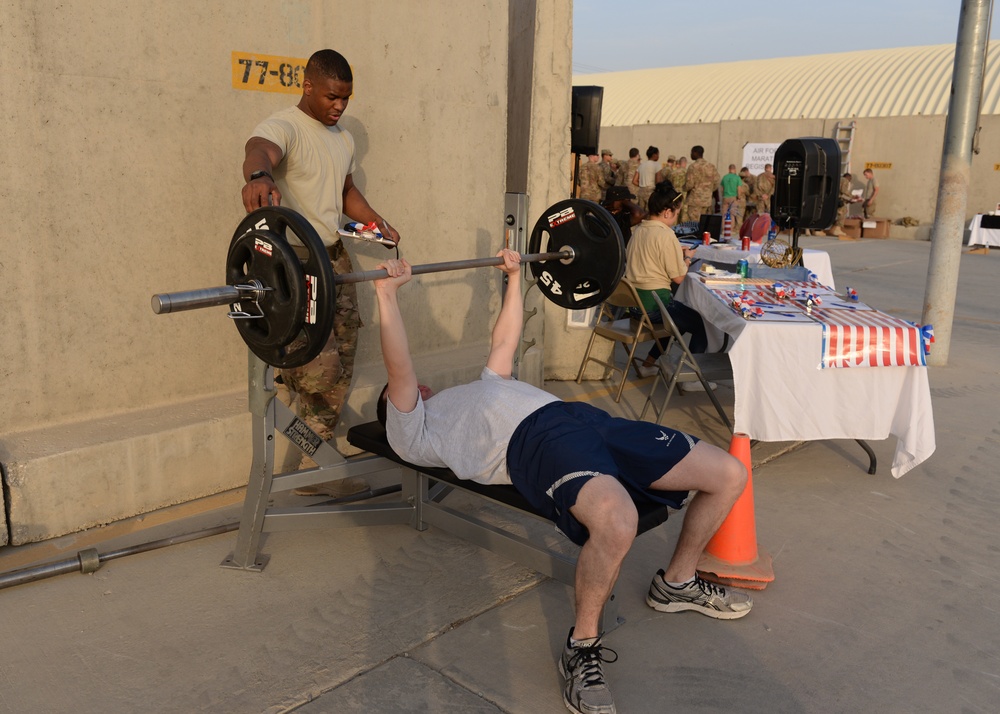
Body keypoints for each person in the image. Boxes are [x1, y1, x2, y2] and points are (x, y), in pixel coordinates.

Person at [374, 249, 752, 714]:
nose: (420, 388)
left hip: (581, 419)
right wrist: (385, 295)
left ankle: (676, 582)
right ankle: (582, 646)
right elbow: (400, 369)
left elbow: (504, 341)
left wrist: (515, 278)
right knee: (618, 522)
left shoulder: (480, 389)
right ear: (393, 407)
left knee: (729, 473)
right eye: (405, 395)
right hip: (535, 443)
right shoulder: (413, 431)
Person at [241, 48, 401, 497]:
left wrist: (375, 222)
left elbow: (346, 191)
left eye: (346, 99)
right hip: (294, 263)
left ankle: (317, 464)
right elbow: (260, 151)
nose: (339, 106)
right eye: (332, 96)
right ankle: (320, 465)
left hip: (334, 257)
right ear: (308, 86)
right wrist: (259, 176)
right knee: (317, 370)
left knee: (344, 353)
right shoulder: (284, 127)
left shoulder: (342, 138)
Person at [626, 183, 712, 387]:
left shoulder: (638, 230)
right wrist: (687, 258)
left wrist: (675, 252)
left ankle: (648, 364)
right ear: (667, 212)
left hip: (634, 306)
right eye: (676, 214)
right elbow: (679, 278)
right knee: (700, 323)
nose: (676, 219)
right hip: (654, 307)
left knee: (679, 321)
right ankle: (691, 379)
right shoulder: (666, 235)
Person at [683, 145, 721, 225]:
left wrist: (683, 188)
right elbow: (717, 181)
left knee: (694, 224)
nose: (691, 155)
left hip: (695, 201)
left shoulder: (693, 167)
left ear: (696, 153)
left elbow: (689, 184)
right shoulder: (711, 166)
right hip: (707, 201)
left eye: (692, 153)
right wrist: (709, 190)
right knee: (705, 224)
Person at [632, 145, 661, 211]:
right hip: (651, 191)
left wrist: (642, 184)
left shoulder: (641, 166)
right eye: (658, 154)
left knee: (641, 212)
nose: (658, 156)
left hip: (641, 191)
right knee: (650, 212)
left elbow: (634, 181)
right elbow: (658, 181)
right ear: (654, 155)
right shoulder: (657, 165)